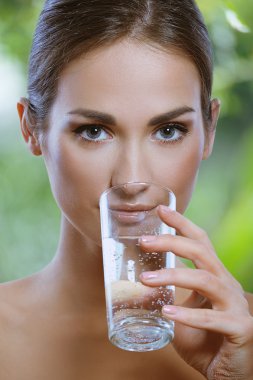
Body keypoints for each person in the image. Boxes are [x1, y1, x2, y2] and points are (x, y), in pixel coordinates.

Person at [1, 0, 252, 379]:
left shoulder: (243, 340)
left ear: (209, 130)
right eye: (93, 131)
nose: (131, 180)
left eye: (168, 131)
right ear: (31, 129)